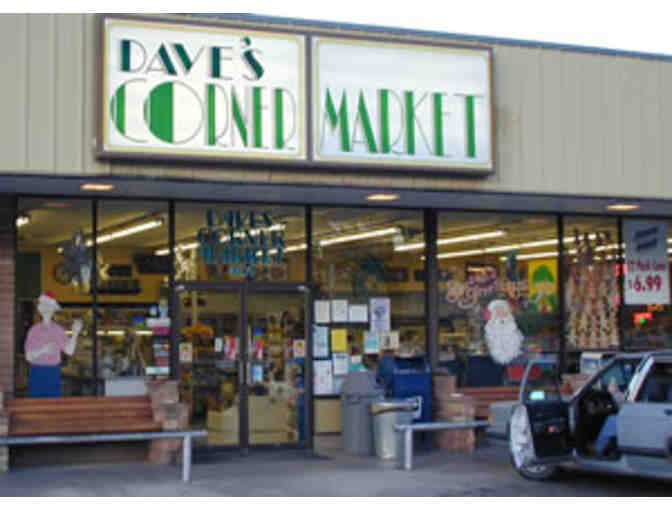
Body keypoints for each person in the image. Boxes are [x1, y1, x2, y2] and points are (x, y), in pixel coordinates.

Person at [25, 292, 82, 397]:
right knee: (36, 403)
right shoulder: (34, 330)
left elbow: (69, 351)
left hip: (53, 372)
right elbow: (28, 357)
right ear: (40, 309)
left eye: (49, 306)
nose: (46, 309)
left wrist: (75, 333)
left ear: (53, 309)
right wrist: (43, 350)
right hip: (37, 371)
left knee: (53, 403)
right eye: (44, 305)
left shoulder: (58, 330)